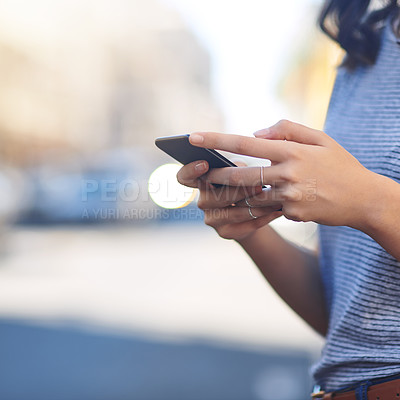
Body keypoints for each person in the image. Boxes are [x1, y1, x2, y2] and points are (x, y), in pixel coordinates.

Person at [177, 1, 400, 399]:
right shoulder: (365, 45)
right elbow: (347, 316)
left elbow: (373, 205)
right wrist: (247, 224)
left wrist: (373, 204)